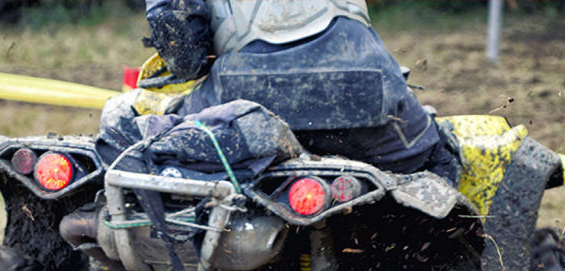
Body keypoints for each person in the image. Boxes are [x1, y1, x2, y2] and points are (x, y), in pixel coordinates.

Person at [96, 0, 459, 181]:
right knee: (436, 163)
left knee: (152, 159)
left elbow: (186, 54)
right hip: (368, 92)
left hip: (245, 97)